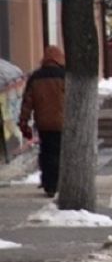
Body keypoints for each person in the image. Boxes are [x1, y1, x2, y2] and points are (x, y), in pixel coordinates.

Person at [18, 45, 66, 197]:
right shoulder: (65, 75)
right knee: (59, 153)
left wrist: (23, 122)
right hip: (62, 123)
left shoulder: (36, 77)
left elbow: (27, 102)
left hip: (43, 123)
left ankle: (48, 183)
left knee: (46, 153)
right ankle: (58, 182)